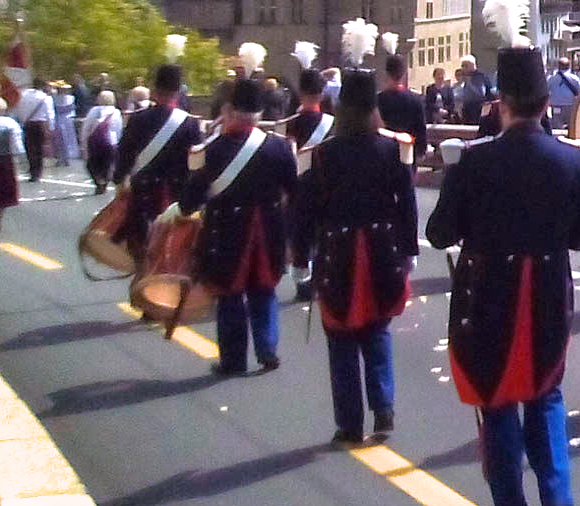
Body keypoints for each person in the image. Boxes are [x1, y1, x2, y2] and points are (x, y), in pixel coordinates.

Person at [428, 43, 580, 506]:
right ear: (545, 105)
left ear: (501, 104)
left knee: (496, 403)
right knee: (545, 397)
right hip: (547, 298)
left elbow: (439, 233)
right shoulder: (573, 161)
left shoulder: (472, 162)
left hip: (486, 301)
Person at [292, 68, 417, 445]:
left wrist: (301, 256)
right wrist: (408, 249)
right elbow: (406, 204)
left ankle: (349, 424)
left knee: (342, 338)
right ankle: (383, 411)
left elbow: (305, 211)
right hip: (382, 249)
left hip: (338, 251)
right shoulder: (392, 148)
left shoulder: (323, 155)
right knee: (377, 331)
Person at [176, 76, 298, 376]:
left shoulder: (212, 151)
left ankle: (233, 359)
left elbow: (190, 199)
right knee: (264, 290)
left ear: (229, 110)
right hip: (269, 230)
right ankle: (267, 349)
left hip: (227, 230)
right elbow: (295, 194)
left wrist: (187, 207)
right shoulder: (279, 149)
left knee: (230, 295)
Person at [111, 65, 202, 267]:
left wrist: (119, 180)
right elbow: (196, 165)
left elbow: (124, 154)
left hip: (143, 193)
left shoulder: (138, 119)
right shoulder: (190, 124)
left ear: (154, 90)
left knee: (141, 252)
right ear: (177, 92)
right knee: (171, 254)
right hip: (175, 195)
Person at [284, 62, 335, 302]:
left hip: (299, 188)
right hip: (326, 185)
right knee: (323, 234)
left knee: (301, 238)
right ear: (321, 93)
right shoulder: (332, 123)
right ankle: (323, 277)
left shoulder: (290, 123)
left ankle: (303, 283)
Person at [376, 55, 426, 172]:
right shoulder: (415, 99)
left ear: (386, 74)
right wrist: (421, 151)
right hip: (408, 152)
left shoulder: (378, 99)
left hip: (383, 152)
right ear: (403, 74)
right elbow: (421, 128)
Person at [80, 91, 122, 195]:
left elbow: (86, 127)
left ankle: (99, 181)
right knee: (107, 163)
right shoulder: (116, 112)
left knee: (92, 164)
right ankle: (105, 181)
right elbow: (118, 128)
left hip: (95, 141)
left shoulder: (94, 110)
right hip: (111, 141)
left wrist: (83, 142)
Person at [14, 78, 52, 182]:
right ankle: (37, 172)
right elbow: (50, 114)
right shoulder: (45, 97)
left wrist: (22, 120)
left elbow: (19, 109)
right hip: (40, 124)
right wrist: (51, 128)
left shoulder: (23, 95)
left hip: (27, 123)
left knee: (29, 148)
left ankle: (32, 169)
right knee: (39, 148)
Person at [0, 99, 21, 231]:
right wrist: (21, 156)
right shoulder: (10, 123)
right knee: (3, 189)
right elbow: (16, 142)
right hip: (4, 159)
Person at [546, 57, 580, 129]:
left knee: (557, 126)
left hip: (556, 105)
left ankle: (557, 139)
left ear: (558, 66)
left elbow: (546, 91)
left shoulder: (551, 78)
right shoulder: (575, 78)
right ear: (569, 66)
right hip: (570, 105)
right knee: (571, 126)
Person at [456, 56, 494, 125]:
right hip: (468, 111)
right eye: (462, 66)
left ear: (472, 65)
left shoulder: (479, 77)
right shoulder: (468, 76)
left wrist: (469, 82)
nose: (463, 68)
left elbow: (481, 94)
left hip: (477, 111)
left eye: (465, 66)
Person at [50, 81, 79, 167]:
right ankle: (62, 157)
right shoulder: (55, 98)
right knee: (62, 139)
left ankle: (65, 158)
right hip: (64, 120)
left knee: (64, 139)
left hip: (62, 120)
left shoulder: (69, 98)